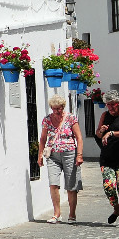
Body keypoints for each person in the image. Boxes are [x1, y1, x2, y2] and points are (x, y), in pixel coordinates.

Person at [37, 95, 84, 223]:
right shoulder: (47, 120)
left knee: (71, 185)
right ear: (51, 108)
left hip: (70, 153)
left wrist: (79, 155)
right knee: (53, 183)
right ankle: (57, 213)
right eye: (55, 108)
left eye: (59, 108)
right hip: (53, 155)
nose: (57, 111)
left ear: (63, 107)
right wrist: (39, 155)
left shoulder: (70, 118)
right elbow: (42, 139)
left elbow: (79, 137)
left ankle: (72, 214)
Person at [96, 91, 119, 227]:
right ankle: (117, 208)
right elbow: (98, 134)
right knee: (109, 186)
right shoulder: (104, 115)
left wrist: (112, 133)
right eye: (108, 104)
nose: (110, 107)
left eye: (112, 104)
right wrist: (101, 131)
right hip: (107, 158)